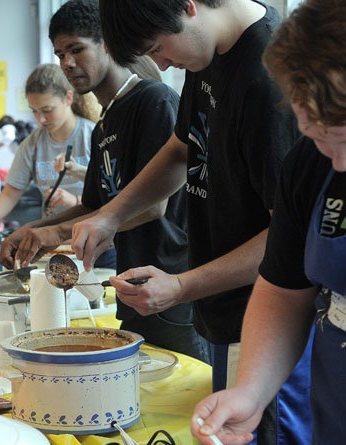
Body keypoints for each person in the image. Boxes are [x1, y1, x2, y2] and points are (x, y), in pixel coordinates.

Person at [70, 0, 310, 443]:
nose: (159, 63)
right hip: (223, 313)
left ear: (188, 7)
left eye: (158, 47)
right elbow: (183, 148)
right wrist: (110, 214)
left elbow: (288, 236)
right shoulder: (207, 54)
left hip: (268, 330)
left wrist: (182, 286)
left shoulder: (266, 77)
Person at [0, 0, 208, 362]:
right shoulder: (104, 125)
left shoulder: (153, 101)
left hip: (170, 290)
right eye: (60, 53)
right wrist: (35, 228)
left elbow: (151, 207)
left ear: (108, 43)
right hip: (131, 288)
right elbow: (95, 206)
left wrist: (57, 235)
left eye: (76, 49)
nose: (67, 63)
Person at [192, 0, 346, 443]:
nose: (337, 164)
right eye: (319, 140)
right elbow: (283, 289)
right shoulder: (310, 166)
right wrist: (252, 391)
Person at [0, 63, 96, 241]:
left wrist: (74, 200)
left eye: (47, 110)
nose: (40, 119)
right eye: (34, 111)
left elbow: (112, 198)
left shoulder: (94, 135)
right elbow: (10, 194)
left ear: (68, 98)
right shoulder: (32, 144)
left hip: (95, 240)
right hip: (54, 242)